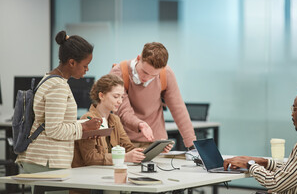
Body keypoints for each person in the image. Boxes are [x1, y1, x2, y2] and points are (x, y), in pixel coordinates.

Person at [223, 85, 297, 193]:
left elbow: (275, 183)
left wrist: (250, 164)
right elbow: (295, 170)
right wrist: (264, 162)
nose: (292, 114)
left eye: (294, 109)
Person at [16, 31, 101, 178]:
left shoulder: (49, 79)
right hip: (47, 160)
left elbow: (54, 124)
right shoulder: (58, 86)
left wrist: (83, 130)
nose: (87, 70)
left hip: (42, 159)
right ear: (72, 62)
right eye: (85, 65)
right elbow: (54, 130)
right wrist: (83, 127)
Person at [110, 42, 196, 149]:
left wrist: (192, 144)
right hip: (125, 141)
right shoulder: (119, 72)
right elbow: (123, 111)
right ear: (138, 58)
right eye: (145, 72)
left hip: (155, 142)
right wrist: (140, 124)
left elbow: (179, 110)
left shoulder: (166, 74)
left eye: (153, 75)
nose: (147, 78)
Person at [72, 74, 146, 169]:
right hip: (88, 175)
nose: (120, 101)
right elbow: (91, 158)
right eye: (116, 96)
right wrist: (125, 157)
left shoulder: (115, 119)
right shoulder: (88, 120)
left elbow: (128, 147)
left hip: (106, 172)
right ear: (101, 96)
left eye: (121, 97)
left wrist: (155, 150)